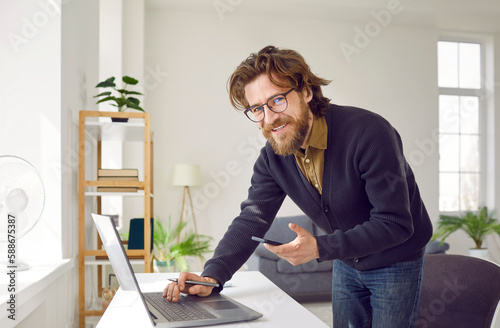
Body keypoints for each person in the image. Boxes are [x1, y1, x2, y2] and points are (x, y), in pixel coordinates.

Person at [163, 45, 433, 327]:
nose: (269, 118)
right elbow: (252, 218)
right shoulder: (272, 157)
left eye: (277, 100)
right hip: (346, 260)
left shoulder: (369, 133)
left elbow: (395, 223)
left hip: (396, 259)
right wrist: (212, 276)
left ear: (306, 91)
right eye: (257, 109)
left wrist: (320, 247)